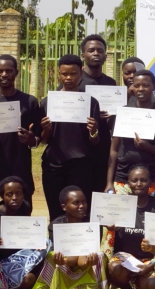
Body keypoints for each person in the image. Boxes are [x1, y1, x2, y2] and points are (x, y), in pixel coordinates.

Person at [39, 55, 105, 218]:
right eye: (64, 74)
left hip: (80, 165)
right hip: (53, 165)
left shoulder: (91, 102)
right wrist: (46, 129)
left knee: (80, 211)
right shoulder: (48, 102)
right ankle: (55, 242)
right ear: (59, 74)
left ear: (81, 73)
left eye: (73, 74)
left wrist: (93, 130)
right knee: (55, 211)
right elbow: (43, 140)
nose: (68, 78)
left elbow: (95, 141)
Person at [0, 55, 41, 204]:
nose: (4, 74)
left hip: (19, 169)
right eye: (0, 71)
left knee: (20, 221)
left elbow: (38, 137)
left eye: (8, 71)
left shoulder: (29, 102)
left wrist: (31, 140)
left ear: (16, 72)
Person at [27, 185, 108, 289]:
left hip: (85, 260)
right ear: (64, 207)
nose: (82, 206)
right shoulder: (56, 226)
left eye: (84, 202)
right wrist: (64, 260)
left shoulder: (93, 225)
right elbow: (65, 255)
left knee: (100, 256)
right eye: (76, 203)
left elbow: (85, 255)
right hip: (65, 262)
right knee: (52, 255)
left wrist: (87, 262)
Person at [106, 69, 155, 198]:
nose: (140, 89)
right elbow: (114, 150)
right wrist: (109, 182)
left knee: (154, 218)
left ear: (154, 87)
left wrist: (147, 147)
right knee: (123, 217)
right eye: (136, 85)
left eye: (145, 85)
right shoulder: (123, 113)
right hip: (124, 178)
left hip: (154, 178)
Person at [103, 164, 155, 289]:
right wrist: (108, 226)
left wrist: (152, 264)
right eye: (134, 180)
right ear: (128, 183)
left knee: (153, 287)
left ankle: (142, 286)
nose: (139, 184)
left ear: (150, 183)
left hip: (149, 261)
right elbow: (102, 222)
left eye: (143, 180)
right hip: (126, 259)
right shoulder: (120, 205)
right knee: (114, 268)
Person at [0, 176, 44, 289]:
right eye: (9, 194)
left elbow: (26, 232)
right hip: (2, 263)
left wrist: (35, 240)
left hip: (23, 257)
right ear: (2, 196)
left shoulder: (25, 207)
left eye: (19, 193)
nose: (15, 198)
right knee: (28, 279)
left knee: (46, 244)